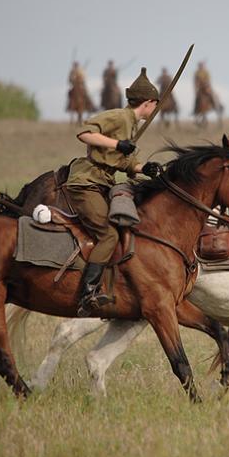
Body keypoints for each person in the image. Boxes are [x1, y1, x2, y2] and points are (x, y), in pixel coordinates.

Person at [65, 67, 162, 317]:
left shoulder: (131, 126)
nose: (155, 113)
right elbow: (84, 133)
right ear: (149, 103)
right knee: (108, 235)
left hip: (103, 183)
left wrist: (145, 168)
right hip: (85, 181)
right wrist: (117, 143)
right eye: (155, 106)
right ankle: (87, 293)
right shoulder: (120, 117)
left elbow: (125, 163)